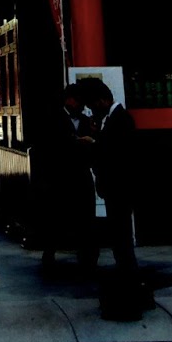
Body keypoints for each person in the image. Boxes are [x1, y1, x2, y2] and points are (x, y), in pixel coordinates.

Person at [76, 76, 148, 319]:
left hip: (121, 188)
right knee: (120, 240)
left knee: (123, 240)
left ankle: (132, 291)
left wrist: (94, 144)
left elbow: (118, 155)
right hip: (114, 188)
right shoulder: (109, 120)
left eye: (93, 103)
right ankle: (131, 287)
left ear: (104, 99)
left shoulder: (121, 120)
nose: (91, 109)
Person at [39, 83, 97, 273]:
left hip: (81, 175)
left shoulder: (86, 121)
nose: (80, 104)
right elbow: (48, 146)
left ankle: (87, 256)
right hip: (59, 175)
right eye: (77, 99)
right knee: (55, 217)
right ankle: (49, 253)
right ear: (68, 99)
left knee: (86, 218)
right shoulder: (53, 118)